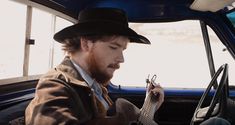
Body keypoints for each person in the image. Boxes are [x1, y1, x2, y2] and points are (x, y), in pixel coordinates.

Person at [25, 7, 164, 125]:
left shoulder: (94, 86)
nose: (121, 59)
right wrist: (125, 115)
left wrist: (149, 106)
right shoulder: (54, 86)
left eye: (123, 50)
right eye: (114, 47)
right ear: (86, 43)